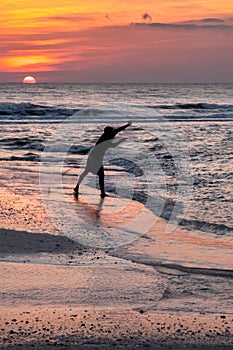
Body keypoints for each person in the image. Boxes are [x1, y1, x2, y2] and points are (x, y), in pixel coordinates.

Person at [74, 121, 132, 198]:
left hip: (93, 157)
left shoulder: (105, 136)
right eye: (112, 132)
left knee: (86, 171)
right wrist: (121, 140)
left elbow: (118, 130)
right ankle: (102, 193)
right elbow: (113, 145)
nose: (113, 133)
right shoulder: (105, 138)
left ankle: (77, 187)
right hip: (95, 158)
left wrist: (127, 125)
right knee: (100, 175)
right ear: (108, 132)